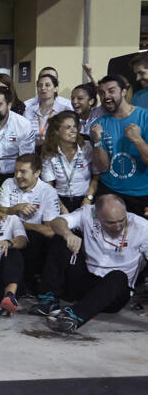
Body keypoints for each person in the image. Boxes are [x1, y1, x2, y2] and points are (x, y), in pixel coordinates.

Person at [34, 195, 148, 332]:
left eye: (121, 220)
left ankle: (73, 317)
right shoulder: (88, 213)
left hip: (115, 292)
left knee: (118, 276)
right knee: (61, 239)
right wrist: (68, 234)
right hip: (86, 280)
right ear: (98, 215)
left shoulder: (142, 227)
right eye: (110, 223)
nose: (118, 227)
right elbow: (57, 222)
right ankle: (48, 300)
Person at [0, 154, 60, 290]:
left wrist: (21, 225)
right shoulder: (8, 184)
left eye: (23, 172)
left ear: (37, 173)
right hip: (7, 233)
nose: (18, 175)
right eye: (16, 171)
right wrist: (15, 209)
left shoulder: (48, 192)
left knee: (36, 238)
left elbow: (50, 231)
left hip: (34, 240)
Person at [90, 74, 148, 214]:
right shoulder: (98, 125)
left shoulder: (145, 117)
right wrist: (97, 142)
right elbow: (103, 167)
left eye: (111, 91)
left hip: (141, 194)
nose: (106, 96)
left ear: (123, 91)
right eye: (102, 93)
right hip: (110, 191)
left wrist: (138, 140)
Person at [41, 111, 98, 211]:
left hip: (85, 198)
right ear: (56, 131)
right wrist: (62, 208)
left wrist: (88, 199)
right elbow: (48, 187)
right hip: (59, 200)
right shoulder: (49, 154)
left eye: (75, 127)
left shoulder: (87, 148)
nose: (74, 130)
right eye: (68, 127)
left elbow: (96, 177)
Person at [23, 70, 72, 146]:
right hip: (33, 152)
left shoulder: (64, 110)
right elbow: (24, 135)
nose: (43, 88)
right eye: (40, 85)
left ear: (56, 88)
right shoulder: (28, 111)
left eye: (47, 85)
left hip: (57, 152)